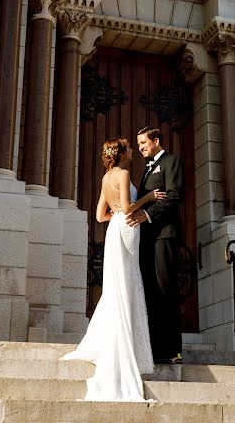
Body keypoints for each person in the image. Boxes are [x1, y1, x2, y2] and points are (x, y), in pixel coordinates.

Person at [61, 138, 165, 401]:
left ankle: (119, 337)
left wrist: (116, 215)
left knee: (118, 286)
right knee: (128, 283)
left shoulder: (106, 177)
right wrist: (149, 197)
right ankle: (126, 345)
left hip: (114, 229)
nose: (132, 150)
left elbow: (99, 215)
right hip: (127, 228)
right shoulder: (124, 173)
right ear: (121, 154)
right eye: (129, 147)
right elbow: (129, 207)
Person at [126, 126, 184, 365]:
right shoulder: (146, 169)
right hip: (149, 238)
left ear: (156, 140)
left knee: (165, 289)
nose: (140, 148)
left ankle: (172, 350)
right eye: (138, 145)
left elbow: (174, 195)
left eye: (143, 143)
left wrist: (146, 216)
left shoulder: (171, 161)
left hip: (165, 235)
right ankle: (154, 347)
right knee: (151, 291)